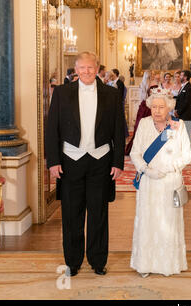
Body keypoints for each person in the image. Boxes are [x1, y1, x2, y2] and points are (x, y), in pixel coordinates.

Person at [45, 51, 125, 277]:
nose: (87, 72)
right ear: (76, 69)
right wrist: (53, 161)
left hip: (101, 161)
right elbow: (52, 130)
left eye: (91, 68)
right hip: (70, 161)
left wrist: (118, 162)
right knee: (71, 214)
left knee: (99, 213)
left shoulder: (111, 94)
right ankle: (72, 261)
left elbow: (119, 130)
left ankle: (98, 261)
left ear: (97, 68)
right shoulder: (61, 93)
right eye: (82, 68)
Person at [130, 87, 191, 277]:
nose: (157, 111)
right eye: (154, 107)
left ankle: (168, 264)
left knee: (168, 223)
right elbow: (135, 152)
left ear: (169, 108)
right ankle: (145, 264)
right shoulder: (144, 123)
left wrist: (168, 168)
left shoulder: (178, 125)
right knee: (148, 222)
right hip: (149, 182)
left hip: (169, 182)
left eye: (161, 107)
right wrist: (146, 170)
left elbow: (187, 156)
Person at [125, 71, 155, 155]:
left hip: (142, 106)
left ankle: (137, 148)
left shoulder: (142, 84)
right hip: (149, 107)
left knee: (140, 127)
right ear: (149, 76)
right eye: (152, 75)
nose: (153, 76)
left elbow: (142, 98)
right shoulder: (152, 85)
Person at [175, 70, 191, 140]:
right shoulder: (183, 86)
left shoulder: (189, 88)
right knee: (181, 136)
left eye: (181, 75)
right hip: (181, 115)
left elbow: (186, 103)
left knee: (187, 136)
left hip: (186, 116)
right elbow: (180, 99)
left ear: (185, 77)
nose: (180, 77)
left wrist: (178, 112)